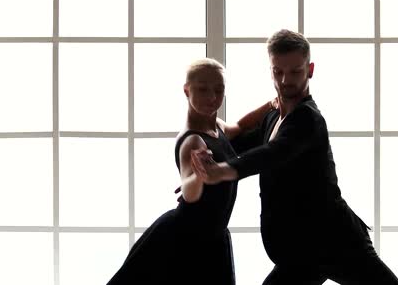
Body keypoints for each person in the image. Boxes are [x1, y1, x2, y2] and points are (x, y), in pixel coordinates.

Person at [191, 30, 398, 285]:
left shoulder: (308, 119)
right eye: (278, 72)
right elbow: (235, 146)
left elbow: (270, 154)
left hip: (336, 242)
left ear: (310, 69)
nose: (285, 80)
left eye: (295, 72)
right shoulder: (273, 117)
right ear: (270, 71)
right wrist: (198, 172)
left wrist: (219, 171)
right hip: (301, 253)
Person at [106, 58, 276, 285]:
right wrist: (198, 175)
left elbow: (240, 127)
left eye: (219, 89)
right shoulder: (193, 141)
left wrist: (271, 104)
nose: (212, 97)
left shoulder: (216, 126)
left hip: (213, 238)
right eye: (203, 89)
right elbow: (189, 192)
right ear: (187, 91)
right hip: (186, 240)